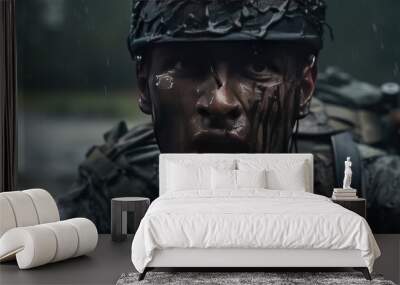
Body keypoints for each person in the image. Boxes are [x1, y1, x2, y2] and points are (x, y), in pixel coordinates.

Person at [58, 0, 400, 234]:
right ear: (144, 86)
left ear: (305, 87)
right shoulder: (114, 188)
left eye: (257, 67)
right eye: (187, 66)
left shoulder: (362, 184)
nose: (220, 102)